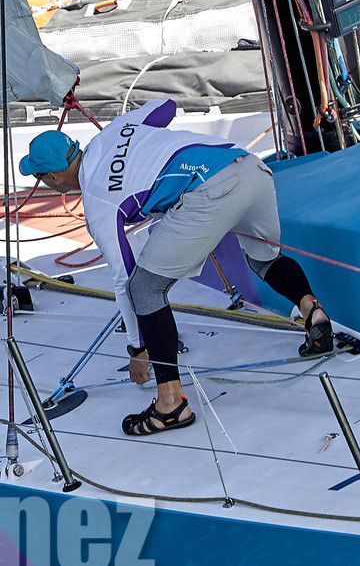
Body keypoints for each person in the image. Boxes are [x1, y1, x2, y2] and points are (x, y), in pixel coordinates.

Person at [19, 98, 331, 436]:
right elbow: (166, 106)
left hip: (209, 190)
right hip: (248, 167)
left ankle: (170, 404)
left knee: (146, 288)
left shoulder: (98, 202)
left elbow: (126, 280)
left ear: (53, 177)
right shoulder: (114, 130)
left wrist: (139, 348)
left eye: (39, 177)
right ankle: (312, 312)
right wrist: (132, 142)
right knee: (264, 258)